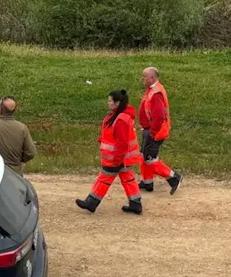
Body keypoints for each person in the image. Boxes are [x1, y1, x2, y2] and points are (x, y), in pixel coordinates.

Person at [76, 90, 144, 215]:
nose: (108, 103)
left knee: (104, 178)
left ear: (117, 103)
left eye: (110, 101)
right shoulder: (120, 115)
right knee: (128, 179)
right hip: (124, 158)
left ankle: (91, 202)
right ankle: (136, 204)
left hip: (117, 158)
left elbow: (122, 143)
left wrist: (117, 160)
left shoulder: (120, 118)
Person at [138, 66, 182, 194]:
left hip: (154, 132)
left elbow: (158, 116)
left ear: (152, 77)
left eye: (144, 76)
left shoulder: (156, 93)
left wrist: (151, 133)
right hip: (150, 130)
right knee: (144, 156)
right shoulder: (152, 90)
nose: (143, 79)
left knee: (150, 159)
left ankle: (174, 177)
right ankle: (147, 183)